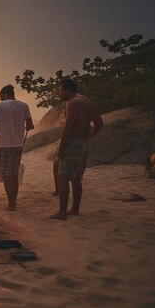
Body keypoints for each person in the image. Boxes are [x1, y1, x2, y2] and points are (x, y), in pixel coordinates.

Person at [50, 79, 103, 220]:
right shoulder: (86, 101)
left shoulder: (72, 103)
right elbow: (99, 123)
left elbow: (69, 127)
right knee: (76, 178)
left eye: (61, 90)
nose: (59, 93)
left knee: (62, 176)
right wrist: (87, 137)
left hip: (73, 144)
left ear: (68, 89)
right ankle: (74, 209)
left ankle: (62, 212)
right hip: (84, 144)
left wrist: (61, 148)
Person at [0, 84, 34, 211]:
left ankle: (11, 205)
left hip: (4, 145)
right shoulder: (24, 105)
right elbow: (30, 125)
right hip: (18, 145)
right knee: (13, 174)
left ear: (4, 94)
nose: (0, 99)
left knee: (6, 175)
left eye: (0, 96)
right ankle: (13, 203)